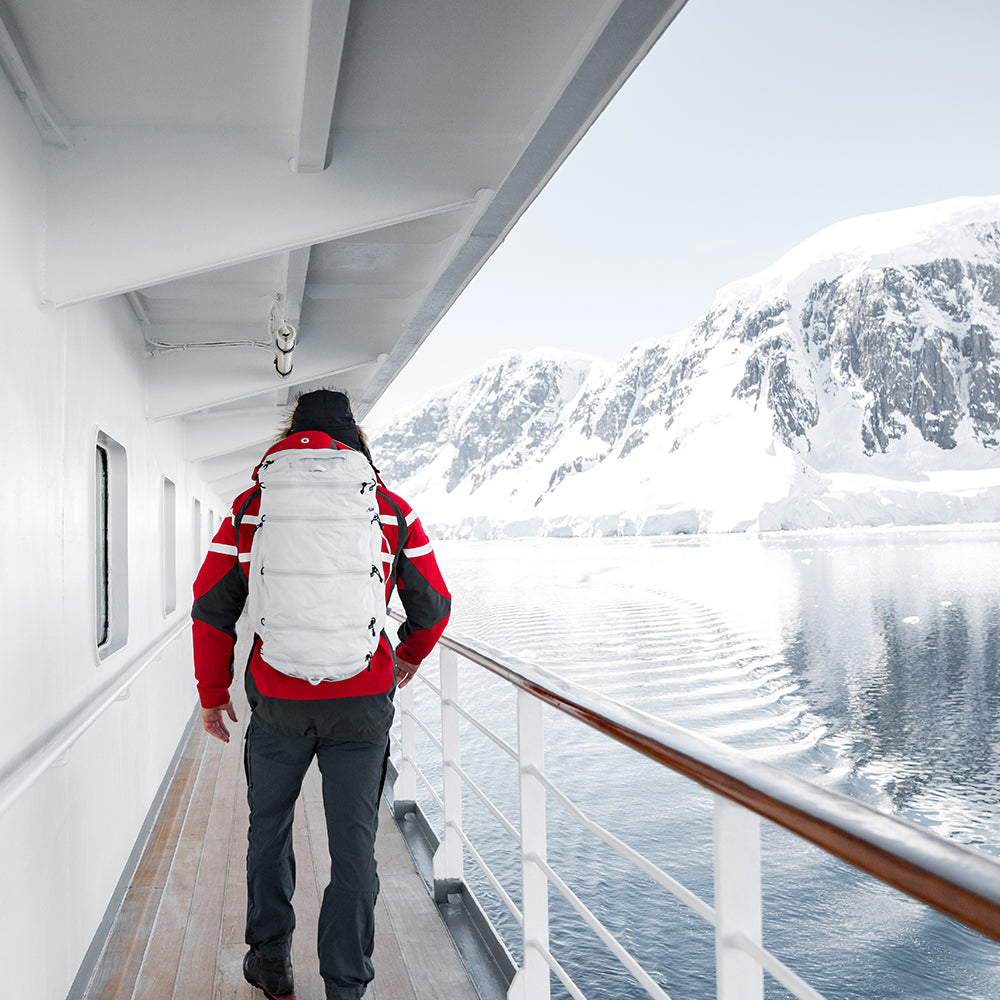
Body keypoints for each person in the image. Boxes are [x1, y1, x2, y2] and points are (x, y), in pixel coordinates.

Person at [192, 389, 451, 1000]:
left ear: (289, 437)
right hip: (361, 704)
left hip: (278, 701)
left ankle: (272, 962)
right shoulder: (388, 508)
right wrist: (407, 655)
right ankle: (345, 987)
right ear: (353, 438)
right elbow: (434, 605)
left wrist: (212, 691)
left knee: (269, 831)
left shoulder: (252, 507)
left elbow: (211, 607)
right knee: (354, 849)